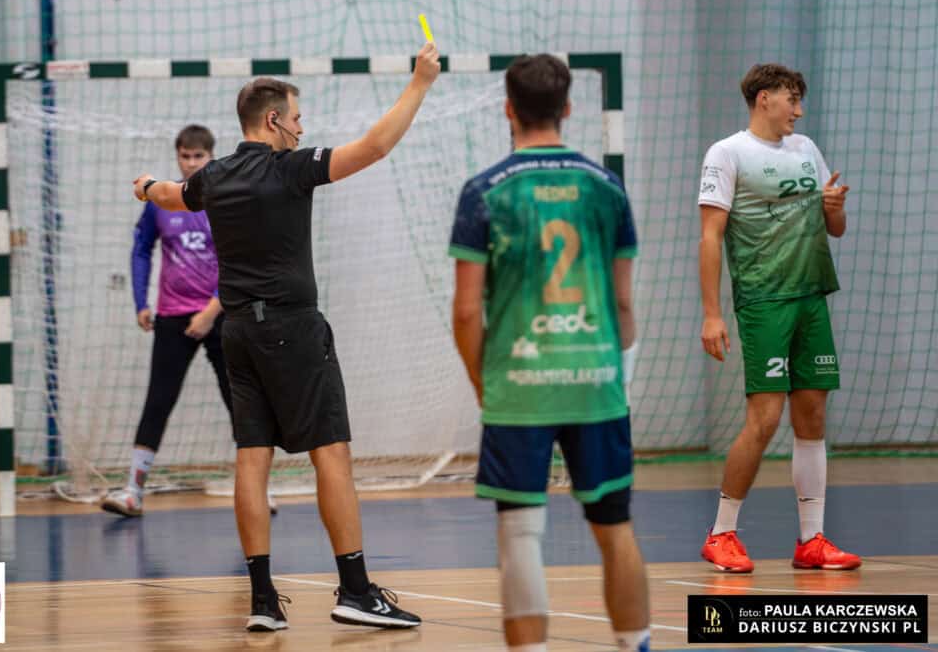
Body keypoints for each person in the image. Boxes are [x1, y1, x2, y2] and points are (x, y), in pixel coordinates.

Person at [131, 41, 440, 632]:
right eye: (296, 118)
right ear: (272, 120)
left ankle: (263, 601)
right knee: (331, 452)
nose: (302, 128)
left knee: (252, 459)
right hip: (293, 331)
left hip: (239, 334)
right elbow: (375, 146)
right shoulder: (291, 167)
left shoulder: (213, 176)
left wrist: (145, 185)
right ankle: (356, 592)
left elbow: (171, 194)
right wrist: (420, 82)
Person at [449, 54, 650, 652]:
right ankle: (635, 644)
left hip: (519, 386)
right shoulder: (607, 188)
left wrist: (486, 384)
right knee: (615, 527)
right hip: (596, 383)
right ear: (568, 107)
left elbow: (466, 312)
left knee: (520, 536)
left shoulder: (484, 192)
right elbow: (624, 305)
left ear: (507, 109)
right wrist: (604, 363)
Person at [697, 63, 859, 572]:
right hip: (764, 299)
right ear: (763, 98)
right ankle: (721, 533)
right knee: (764, 419)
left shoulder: (805, 148)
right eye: (792, 99)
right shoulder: (727, 153)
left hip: (812, 296)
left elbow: (835, 228)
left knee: (812, 416)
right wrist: (711, 314)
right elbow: (710, 237)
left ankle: (812, 540)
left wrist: (833, 206)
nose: (799, 111)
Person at [101, 125, 273, 516]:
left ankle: (260, 490)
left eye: (199, 156)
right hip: (173, 319)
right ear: (177, 157)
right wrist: (140, 302)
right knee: (158, 400)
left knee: (241, 401)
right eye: (185, 156)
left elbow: (242, 262)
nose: (192, 163)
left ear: (211, 157)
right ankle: (133, 491)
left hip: (221, 317)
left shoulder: (226, 201)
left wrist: (210, 312)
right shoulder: (162, 201)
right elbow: (141, 250)